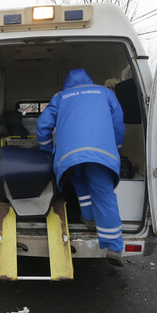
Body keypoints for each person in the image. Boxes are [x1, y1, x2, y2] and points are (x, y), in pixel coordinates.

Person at [36, 68, 125, 267]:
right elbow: (118, 124)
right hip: (100, 154)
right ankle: (113, 247)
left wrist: (46, 150)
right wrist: (116, 148)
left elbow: (43, 126)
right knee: (103, 194)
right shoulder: (105, 93)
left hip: (69, 156)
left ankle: (89, 218)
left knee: (79, 182)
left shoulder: (60, 97)